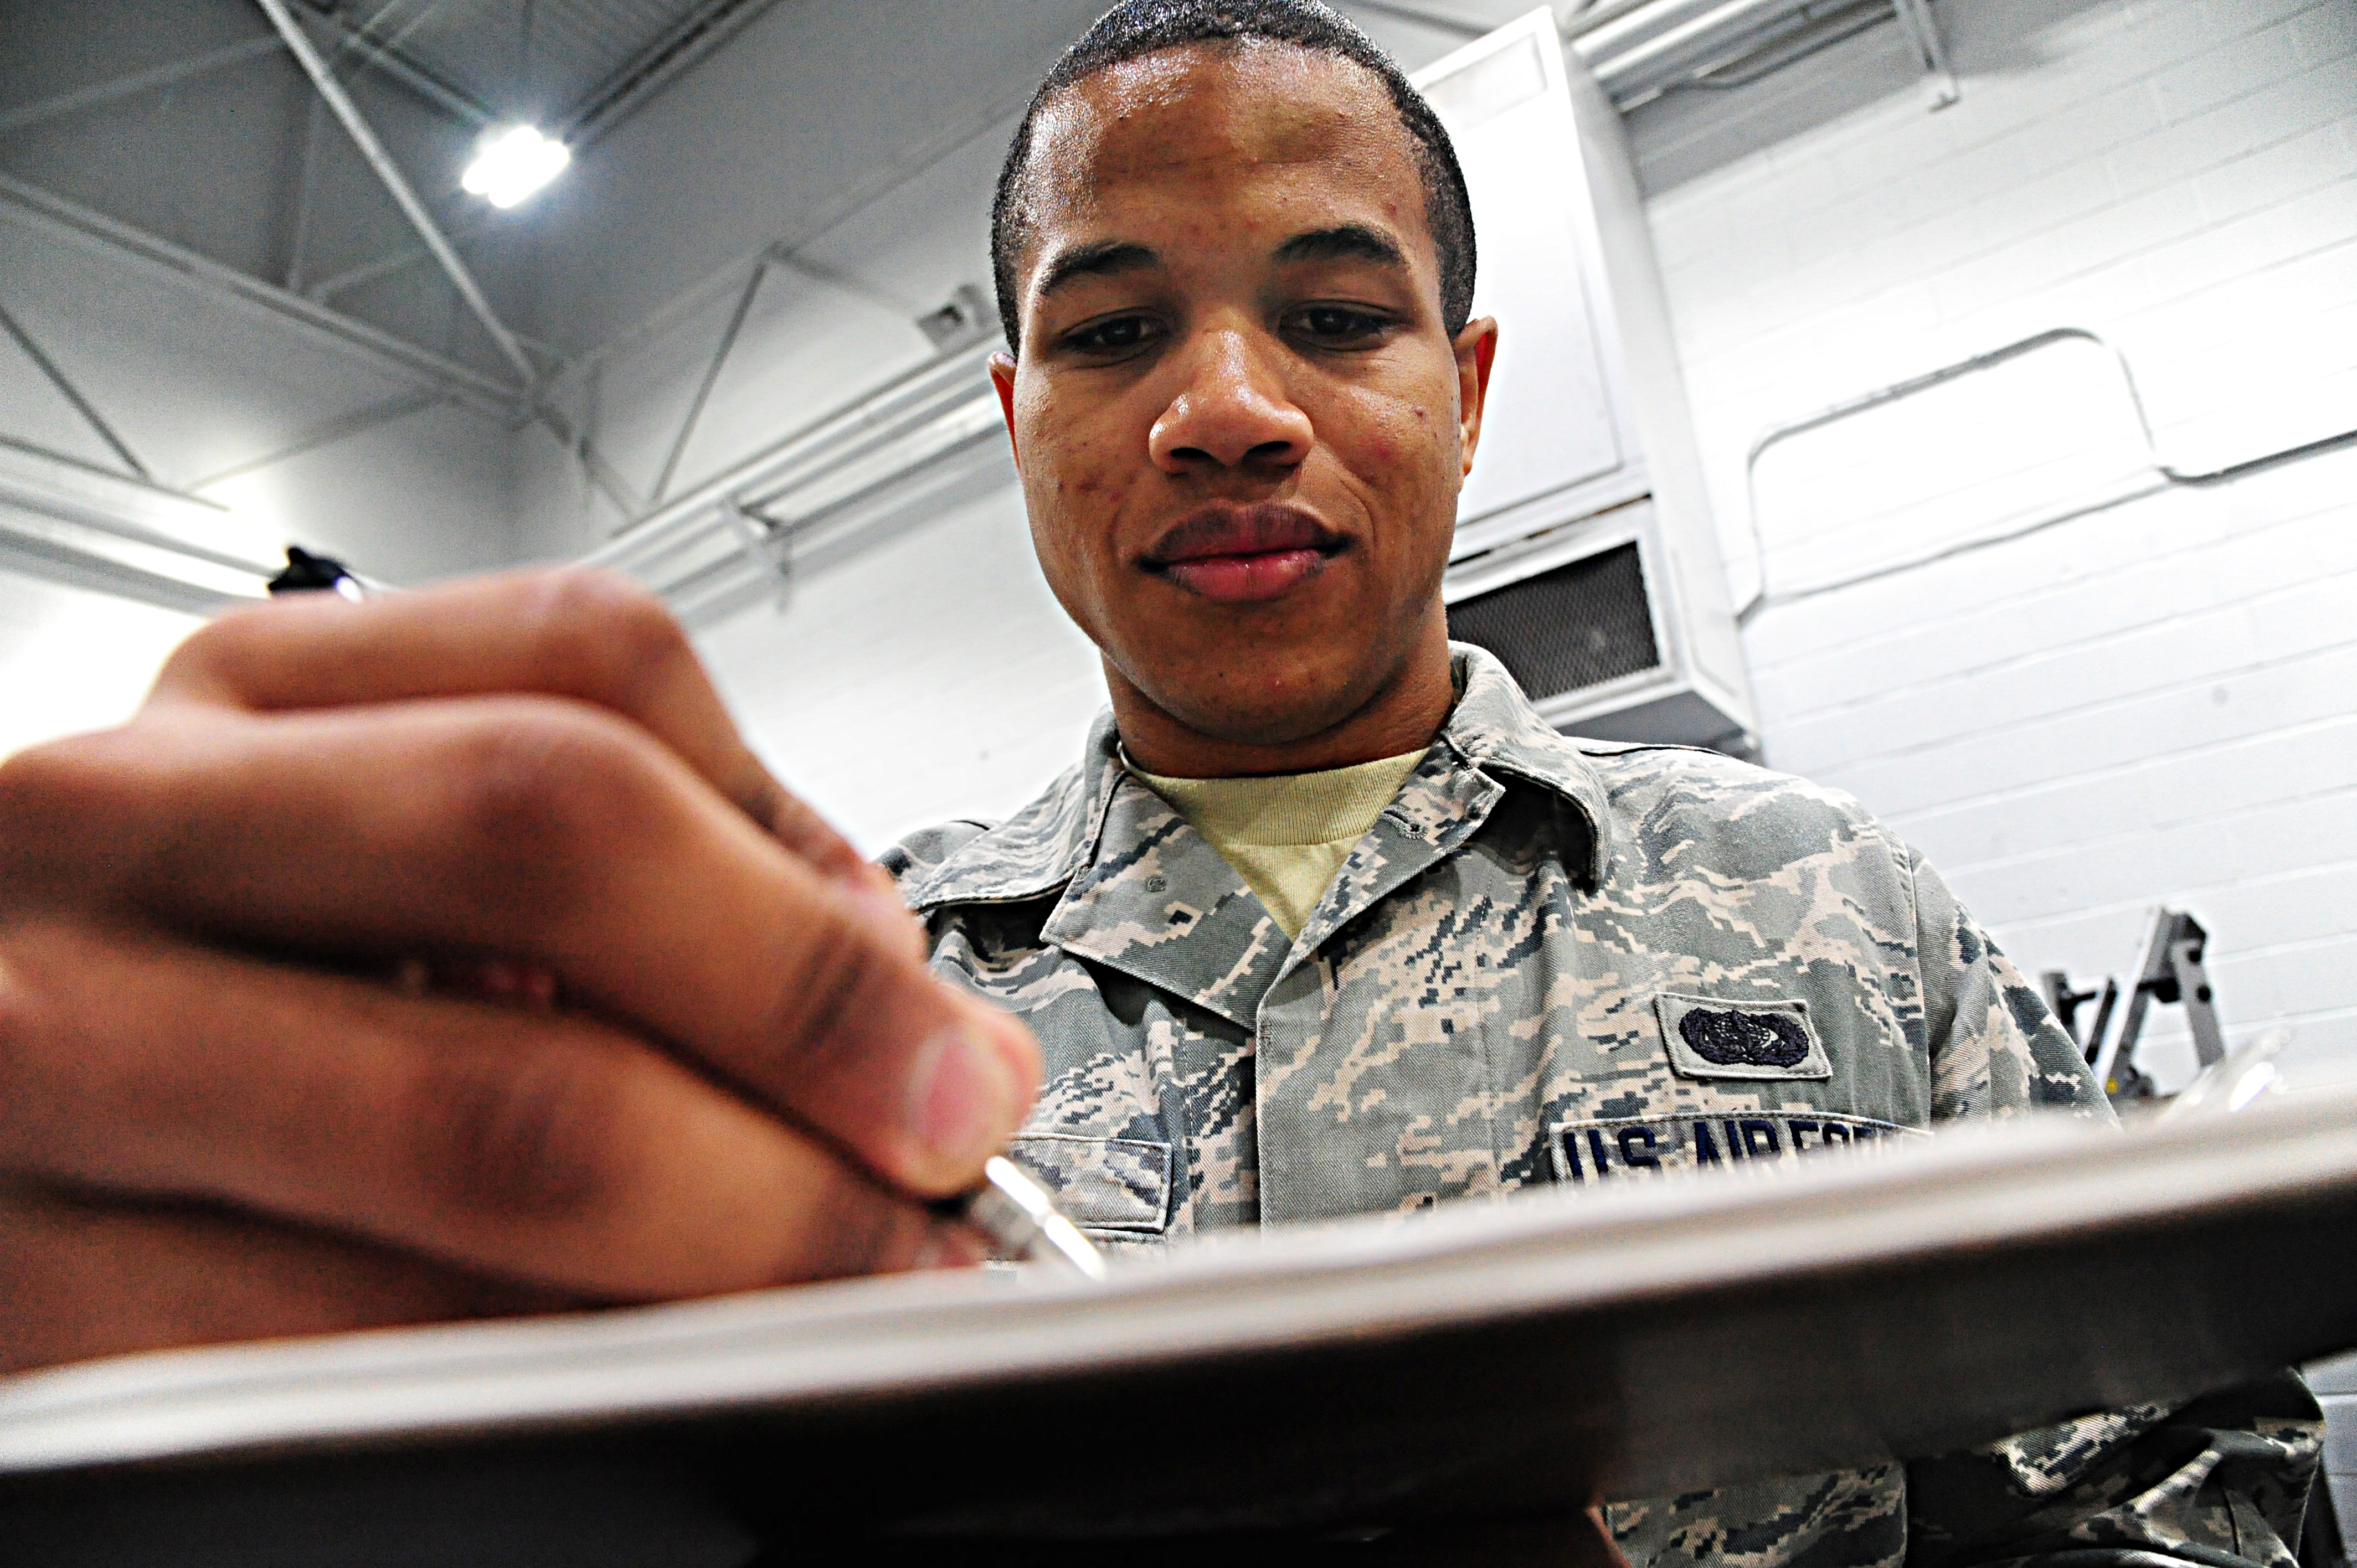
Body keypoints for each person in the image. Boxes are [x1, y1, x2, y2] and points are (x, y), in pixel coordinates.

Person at [0, 1, 2319, 1564]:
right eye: (1110, 332)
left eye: (1332, 314)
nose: (1223, 404)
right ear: (1015, 423)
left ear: (1465, 385)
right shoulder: (820, 1016)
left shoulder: (1835, 915)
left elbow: (2200, 1496)